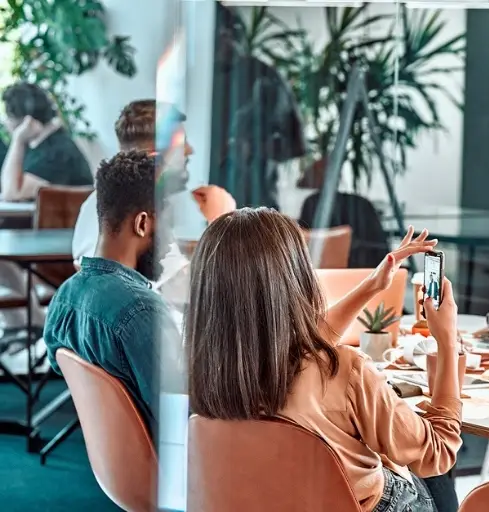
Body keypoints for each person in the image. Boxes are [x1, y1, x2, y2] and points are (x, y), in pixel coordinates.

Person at [186, 209, 461, 512]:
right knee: (427, 469)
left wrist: (372, 284)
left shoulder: (208, 374)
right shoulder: (344, 371)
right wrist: (446, 339)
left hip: (268, 502)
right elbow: (438, 451)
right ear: (295, 278)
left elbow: (297, 348)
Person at [43, 151, 182, 432]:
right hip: (168, 467)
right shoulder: (143, 311)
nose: (172, 241)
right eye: (169, 225)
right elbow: (180, 416)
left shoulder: (64, 298)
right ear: (142, 223)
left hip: (114, 460)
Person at [72, 99, 237, 268]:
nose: (190, 150)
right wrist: (220, 223)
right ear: (154, 155)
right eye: (181, 144)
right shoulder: (117, 209)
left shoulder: (106, 203)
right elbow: (160, 282)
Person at [0, 81, 92, 201]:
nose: (6, 123)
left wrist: (18, 139)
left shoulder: (56, 153)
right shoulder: (45, 147)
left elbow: (11, 193)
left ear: (26, 122)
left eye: (9, 117)